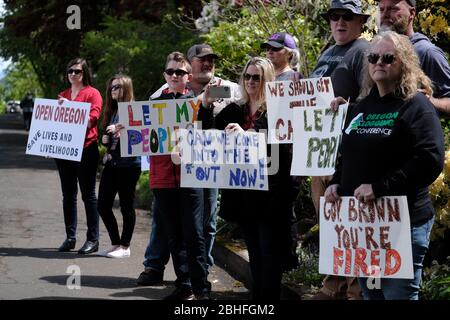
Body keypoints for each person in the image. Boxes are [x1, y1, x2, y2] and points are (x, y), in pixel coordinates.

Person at [325, 30, 444, 300]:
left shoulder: (416, 106)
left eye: (388, 58)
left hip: (402, 223)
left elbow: (430, 159)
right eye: (373, 57)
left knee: (397, 296)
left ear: (404, 63)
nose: (379, 62)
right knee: (371, 294)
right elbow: (349, 155)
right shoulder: (361, 107)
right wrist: (336, 185)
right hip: (365, 227)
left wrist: (380, 187)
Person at [138, 44, 241, 286]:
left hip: (210, 164)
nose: (207, 63)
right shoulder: (162, 93)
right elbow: (148, 129)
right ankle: (155, 266)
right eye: (201, 59)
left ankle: (199, 272)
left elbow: (245, 104)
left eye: (211, 59)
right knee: (166, 221)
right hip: (174, 169)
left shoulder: (226, 89)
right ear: (190, 65)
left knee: (206, 221)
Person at [200, 57, 297, 300]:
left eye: (257, 77)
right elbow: (207, 136)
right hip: (244, 196)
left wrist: (248, 136)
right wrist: (205, 105)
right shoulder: (235, 109)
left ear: (267, 80)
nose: (251, 81)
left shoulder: (277, 110)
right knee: (255, 254)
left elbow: (282, 149)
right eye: (248, 76)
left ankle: (268, 299)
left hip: (271, 196)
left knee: (269, 255)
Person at [309, 0, 370, 300]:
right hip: (320, 154)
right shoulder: (328, 52)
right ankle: (331, 287)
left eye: (348, 17)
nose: (340, 22)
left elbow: (373, 102)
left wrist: (350, 108)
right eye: (335, 16)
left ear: (361, 21)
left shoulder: (364, 51)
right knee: (330, 227)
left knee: (351, 226)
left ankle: (353, 291)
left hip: (346, 156)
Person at [146, 51, 211, 300]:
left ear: (188, 76)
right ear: (165, 75)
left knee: (194, 234)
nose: (175, 75)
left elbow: (209, 135)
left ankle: (201, 289)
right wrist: (122, 129)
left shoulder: (199, 103)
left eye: (180, 72)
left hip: (192, 176)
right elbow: (140, 135)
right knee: (174, 235)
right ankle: (183, 286)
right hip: (162, 178)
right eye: (171, 71)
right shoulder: (152, 104)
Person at [261, 32, 302, 272]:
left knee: (286, 209)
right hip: (267, 153)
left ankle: (288, 262)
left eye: (275, 48)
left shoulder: (294, 79)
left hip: (287, 155)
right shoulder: (264, 77)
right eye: (268, 48)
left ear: (289, 53)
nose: (270, 52)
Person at [56, 58, 103, 254]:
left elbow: (93, 119)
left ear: (84, 73)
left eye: (77, 71)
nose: (73, 74)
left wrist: (70, 107)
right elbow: (55, 122)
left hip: (86, 149)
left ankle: (93, 239)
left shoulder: (93, 93)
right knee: (68, 195)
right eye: (70, 71)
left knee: (88, 195)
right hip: (64, 150)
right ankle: (70, 237)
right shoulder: (63, 94)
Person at [376, 0, 450, 116]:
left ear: (412, 13)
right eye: (381, 9)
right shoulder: (375, 54)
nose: (385, 14)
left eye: (393, 9)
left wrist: (430, 101)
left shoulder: (427, 52)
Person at [97, 75, 141, 258]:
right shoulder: (113, 110)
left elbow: (140, 136)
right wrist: (106, 139)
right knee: (103, 205)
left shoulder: (135, 110)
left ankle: (125, 246)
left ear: (126, 88)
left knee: (126, 206)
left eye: (116, 87)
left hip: (129, 165)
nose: (112, 90)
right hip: (113, 163)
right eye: (111, 87)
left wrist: (122, 130)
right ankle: (116, 243)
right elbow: (111, 140)